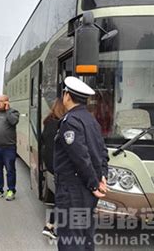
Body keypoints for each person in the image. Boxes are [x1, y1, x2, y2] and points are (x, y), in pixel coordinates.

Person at [53, 76, 109, 251]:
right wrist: (102, 178)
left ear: (67, 96)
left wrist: (94, 183)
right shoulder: (91, 120)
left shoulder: (70, 121)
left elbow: (80, 157)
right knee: (85, 236)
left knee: (70, 238)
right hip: (86, 187)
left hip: (73, 189)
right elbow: (102, 152)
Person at [41, 98, 66, 239]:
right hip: (61, 165)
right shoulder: (62, 124)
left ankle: (50, 225)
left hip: (51, 165)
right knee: (63, 198)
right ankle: (50, 225)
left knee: (60, 196)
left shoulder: (48, 122)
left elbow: (43, 141)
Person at [0, 95, 20, 201]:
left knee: (10, 169)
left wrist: (8, 110)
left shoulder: (13, 113)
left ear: (7, 102)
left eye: (1, 101)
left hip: (8, 147)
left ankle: (11, 190)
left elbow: (13, 122)